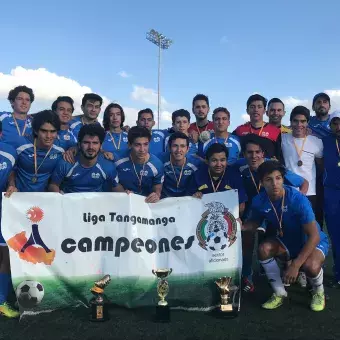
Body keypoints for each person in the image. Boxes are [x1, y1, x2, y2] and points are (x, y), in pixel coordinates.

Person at [242, 160, 328, 312]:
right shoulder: (259, 201)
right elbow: (254, 224)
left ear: (283, 179)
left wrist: (295, 265)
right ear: (261, 182)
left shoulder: (297, 199)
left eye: (278, 178)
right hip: (287, 241)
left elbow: (314, 235)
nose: (274, 183)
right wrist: (240, 226)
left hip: (312, 241)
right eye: (269, 179)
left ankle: (319, 292)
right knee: (264, 249)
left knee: (310, 267)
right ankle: (279, 293)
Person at [237, 134, 308, 292]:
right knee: (247, 241)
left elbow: (303, 182)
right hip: (253, 210)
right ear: (244, 154)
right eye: (249, 152)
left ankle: (292, 268)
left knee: (277, 242)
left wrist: (301, 199)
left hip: (275, 211)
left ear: (263, 153)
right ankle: (247, 274)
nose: (254, 156)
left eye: (257, 152)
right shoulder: (239, 166)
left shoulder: (273, 166)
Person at [48, 124, 124, 193]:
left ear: (101, 146)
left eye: (95, 143)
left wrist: (127, 195)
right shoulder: (66, 162)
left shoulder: (108, 166)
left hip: (95, 205)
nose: (90, 147)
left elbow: (116, 186)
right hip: (70, 204)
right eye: (86, 142)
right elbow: (54, 185)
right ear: (79, 144)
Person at [5, 110, 66, 195]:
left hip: (43, 199)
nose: (48, 136)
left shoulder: (61, 149)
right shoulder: (20, 144)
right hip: (18, 197)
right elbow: (10, 169)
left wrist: (74, 149)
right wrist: (11, 185)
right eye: (44, 131)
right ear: (36, 131)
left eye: (53, 131)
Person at [281, 106, 323, 226]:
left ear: (308, 122)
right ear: (291, 122)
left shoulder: (316, 142)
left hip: (310, 192)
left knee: (310, 226)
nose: (299, 124)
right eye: (295, 121)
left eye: (303, 121)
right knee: (291, 227)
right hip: (288, 191)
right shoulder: (283, 139)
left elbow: (320, 165)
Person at [193, 143, 247, 217]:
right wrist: (194, 197)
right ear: (207, 161)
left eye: (222, 160)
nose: (219, 164)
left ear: (227, 160)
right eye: (214, 160)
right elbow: (189, 201)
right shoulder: (197, 175)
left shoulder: (235, 176)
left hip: (227, 217)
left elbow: (241, 206)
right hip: (202, 217)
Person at [0, 122, 19, 318]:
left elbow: (12, 170)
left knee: (5, 256)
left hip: (3, 209)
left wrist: (11, 182)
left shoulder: (9, 151)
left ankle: (1, 301)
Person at [114, 126, 164, 203]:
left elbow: (157, 190)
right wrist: (123, 193)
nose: (142, 149)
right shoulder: (118, 160)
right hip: (123, 202)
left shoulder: (157, 165)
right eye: (137, 145)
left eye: (145, 144)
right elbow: (113, 184)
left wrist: (155, 196)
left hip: (146, 204)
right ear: (129, 145)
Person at [322, 111, 340, 287]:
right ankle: (338, 273)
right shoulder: (325, 141)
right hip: (332, 193)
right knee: (336, 235)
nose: (339, 126)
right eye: (335, 123)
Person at [233, 94, 281, 158]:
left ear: (264, 110)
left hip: (267, 167)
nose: (256, 110)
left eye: (259, 107)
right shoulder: (239, 130)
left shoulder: (275, 131)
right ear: (247, 110)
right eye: (252, 107)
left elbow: (280, 156)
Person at [160, 132, 202, 198]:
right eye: (175, 146)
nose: (179, 150)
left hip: (187, 202)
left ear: (187, 149)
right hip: (165, 202)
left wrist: (199, 192)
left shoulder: (196, 164)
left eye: (182, 146)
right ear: (169, 147)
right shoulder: (160, 162)